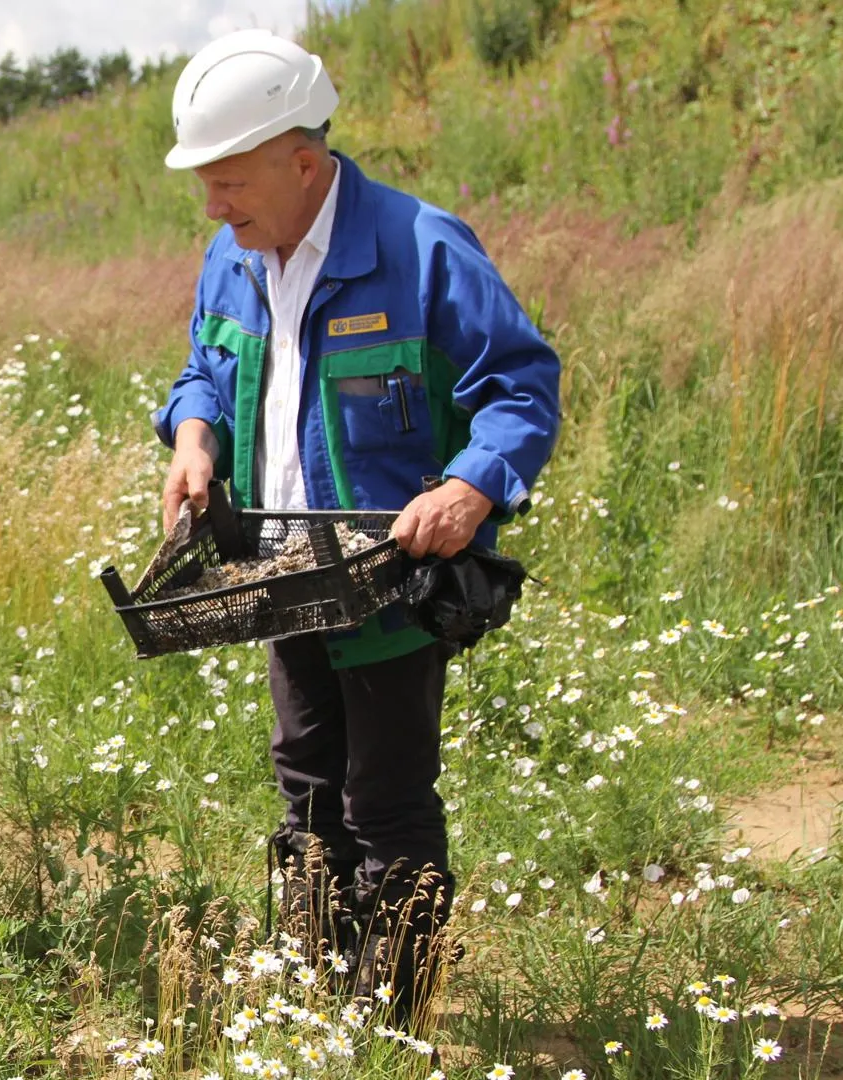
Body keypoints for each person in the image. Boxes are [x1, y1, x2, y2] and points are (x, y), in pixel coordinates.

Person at [153, 31, 561, 1028]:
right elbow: (205, 367)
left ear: (303, 163)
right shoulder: (233, 254)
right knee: (304, 784)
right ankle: (310, 994)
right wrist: (194, 435)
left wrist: (469, 490)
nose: (213, 206)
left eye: (229, 182)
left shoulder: (422, 249)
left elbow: (521, 389)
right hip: (281, 571)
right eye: (205, 184)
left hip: (390, 580)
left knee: (385, 797)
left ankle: (392, 1024)